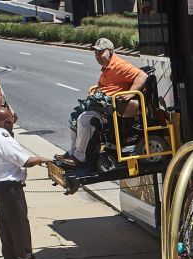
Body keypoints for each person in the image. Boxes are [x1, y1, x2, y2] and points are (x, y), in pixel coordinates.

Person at [55, 38, 147, 167]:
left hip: (110, 108)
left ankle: (79, 157)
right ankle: (73, 152)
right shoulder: (106, 67)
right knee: (73, 119)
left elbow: (142, 75)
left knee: (84, 119)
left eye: (100, 53)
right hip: (101, 104)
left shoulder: (120, 65)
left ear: (110, 52)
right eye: (95, 53)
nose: (97, 56)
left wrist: (130, 93)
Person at [0, 107, 51, 259]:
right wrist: (43, 159)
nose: (13, 123)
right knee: (19, 223)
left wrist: (10, 120)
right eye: (11, 120)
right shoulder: (5, 140)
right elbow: (25, 161)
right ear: (6, 122)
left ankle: (10, 256)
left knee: (6, 222)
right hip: (10, 187)